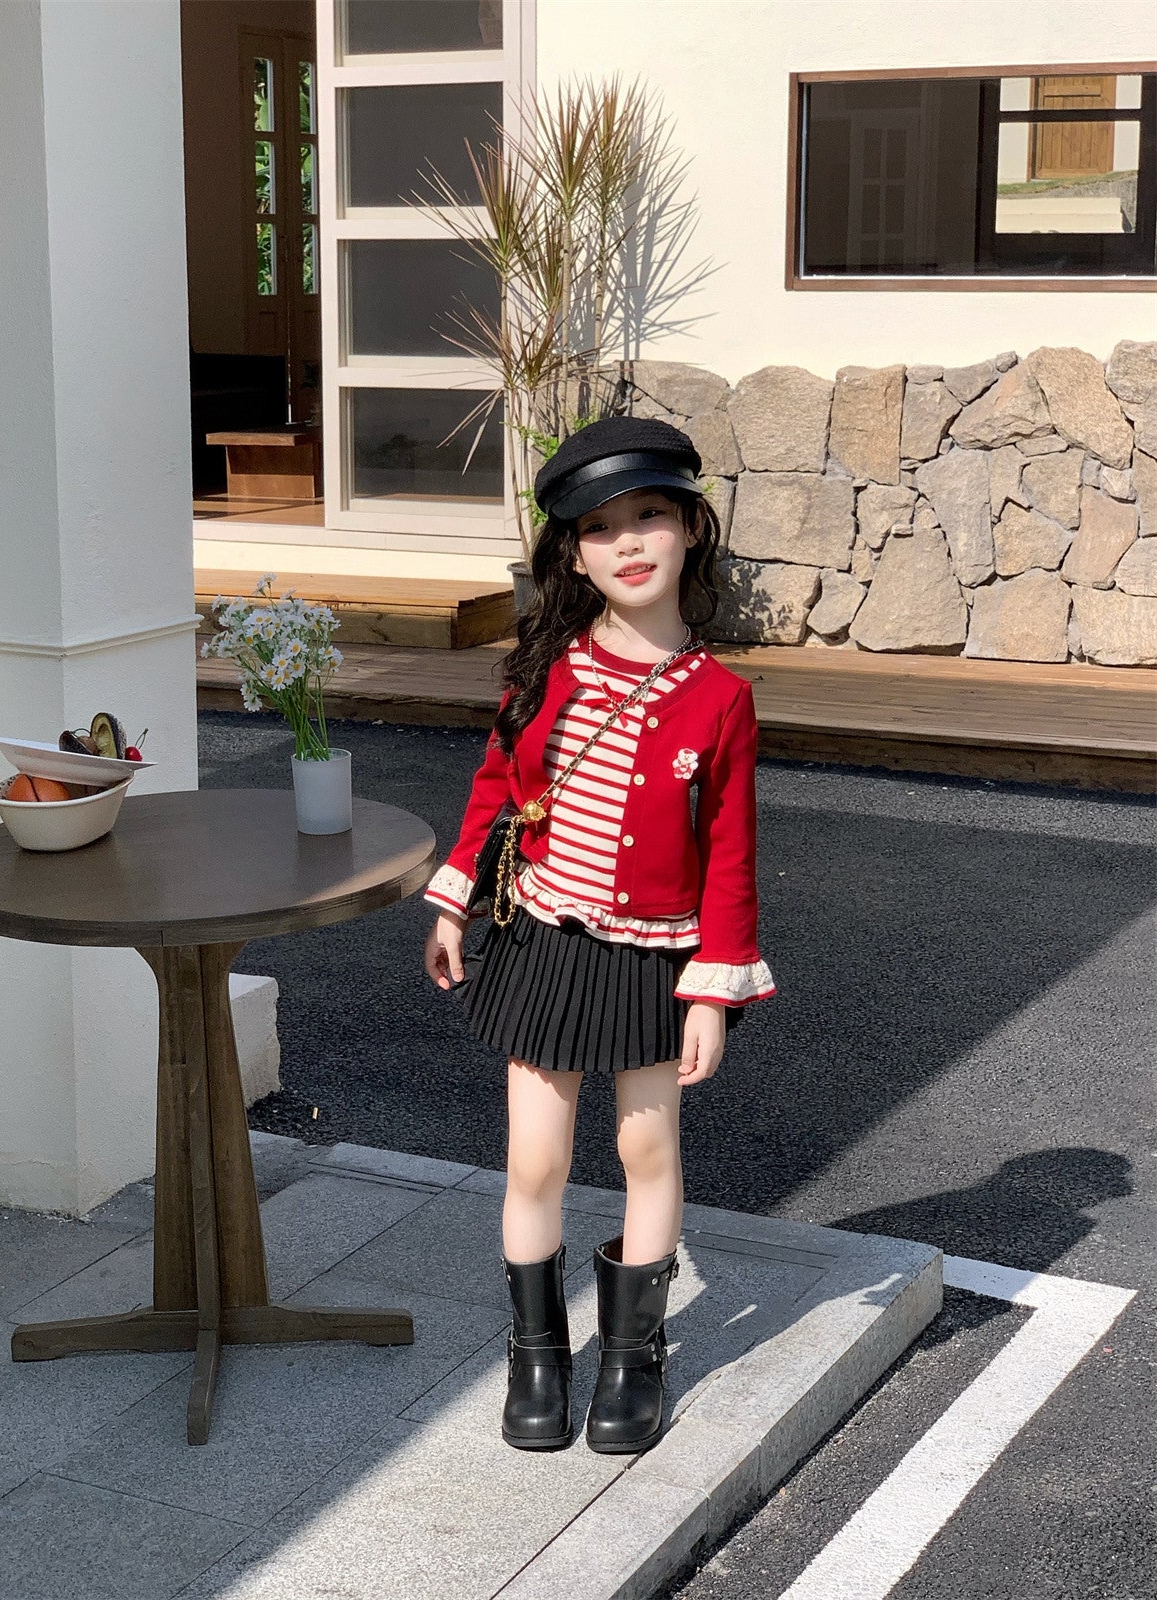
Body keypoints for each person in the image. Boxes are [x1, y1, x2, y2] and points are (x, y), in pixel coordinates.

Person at [422, 416, 776, 1454]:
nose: (628, 543)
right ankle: (537, 1354)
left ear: (691, 527)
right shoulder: (547, 666)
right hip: (542, 942)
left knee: (645, 1145)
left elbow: (732, 854)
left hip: (655, 956)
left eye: (650, 515)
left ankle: (632, 1357)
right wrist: (452, 900)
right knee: (534, 1158)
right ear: (572, 553)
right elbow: (498, 789)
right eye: (599, 527)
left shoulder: (721, 700)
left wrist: (712, 987)